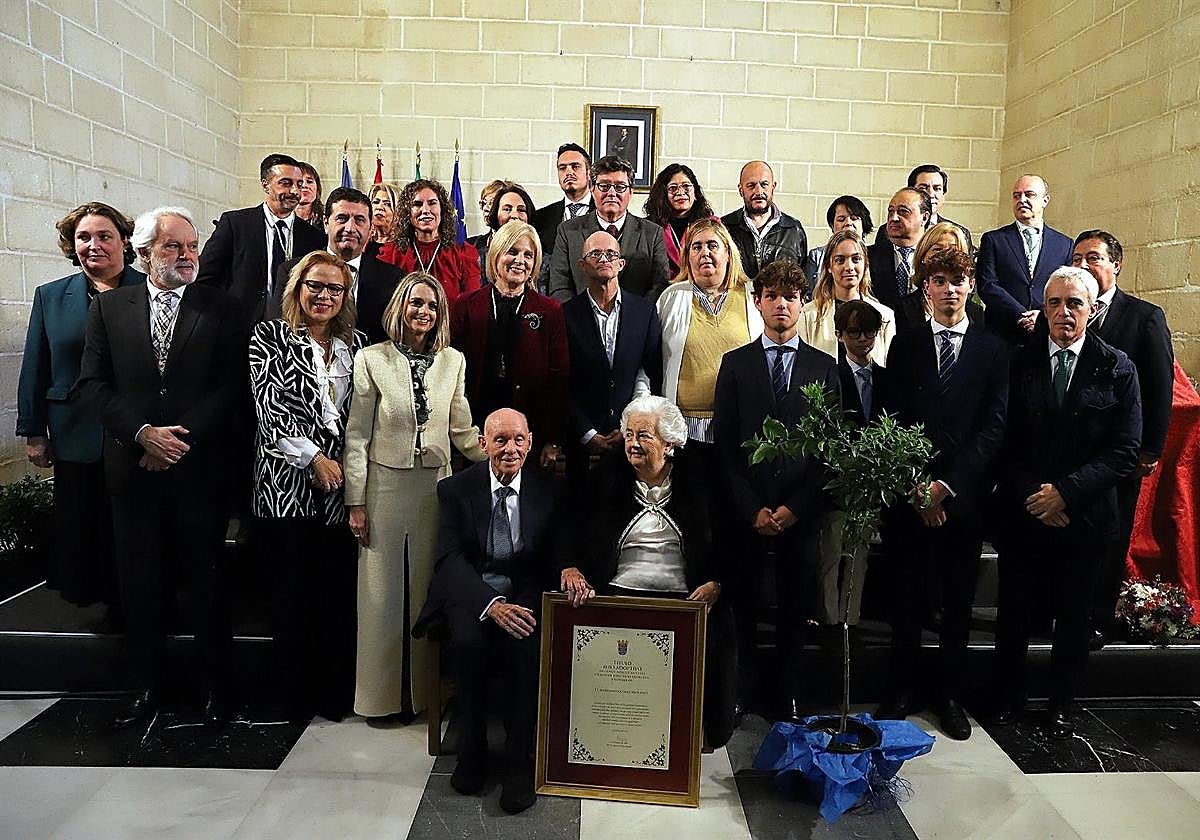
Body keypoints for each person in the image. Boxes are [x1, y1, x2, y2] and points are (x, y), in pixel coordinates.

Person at [77, 207, 244, 727]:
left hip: (199, 471)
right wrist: (144, 435)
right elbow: (93, 385)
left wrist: (177, 441)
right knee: (140, 583)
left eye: (191, 247)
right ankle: (147, 685)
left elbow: (232, 387)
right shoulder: (110, 309)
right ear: (145, 253)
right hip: (134, 469)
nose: (188, 256)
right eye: (174, 247)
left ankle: (218, 687)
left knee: (206, 582)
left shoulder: (222, 307)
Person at [994, 267, 1141, 738]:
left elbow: (1123, 451)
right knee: (1014, 611)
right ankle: (1008, 696)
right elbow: (1003, 439)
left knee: (1074, 618)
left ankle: (1062, 702)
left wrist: (1066, 493)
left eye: (1074, 304)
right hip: (1025, 512)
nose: (1062, 313)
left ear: (1093, 310)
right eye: (1054, 303)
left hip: (1086, 518)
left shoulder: (1117, 367)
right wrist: (1037, 496)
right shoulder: (1018, 363)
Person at [875, 248, 1009, 741]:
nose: (949, 289)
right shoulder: (905, 346)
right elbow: (891, 419)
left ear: (970, 286)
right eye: (938, 280)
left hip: (964, 497)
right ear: (925, 289)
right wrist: (917, 486)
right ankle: (901, 688)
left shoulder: (993, 349)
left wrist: (946, 487)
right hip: (911, 498)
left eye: (958, 280)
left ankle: (948, 693)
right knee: (907, 598)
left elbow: (994, 427)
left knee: (956, 603)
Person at [343, 272, 486, 722]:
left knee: (428, 594)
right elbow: (357, 435)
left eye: (431, 306)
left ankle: (423, 697)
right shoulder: (371, 359)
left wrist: (505, 450)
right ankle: (379, 699)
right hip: (384, 488)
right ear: (400, 307)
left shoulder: (453, 361)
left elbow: (462, 430)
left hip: (434, 489)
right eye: (415, 303)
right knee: (380, 597)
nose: (422, 312)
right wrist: (356, 500)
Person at [413, 408, 568, 815]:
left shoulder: (549, 488)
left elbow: (551, 554)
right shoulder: (455, 490)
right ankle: (472, 752)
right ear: (483, 445)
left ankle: (520, 765)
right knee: (466, 643)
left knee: (527, 646)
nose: (510, 449)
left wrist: (564, 569)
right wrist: (490, 604)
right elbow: (449, 560)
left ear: (530, 442)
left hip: (524, 590)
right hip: (472, 590)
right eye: (500, 440)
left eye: (518, 440)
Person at [568, 395, 737, 748]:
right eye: (629, 434)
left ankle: (692, 732)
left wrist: (717, 583)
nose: (632, 443)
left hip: (685, 597)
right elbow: (568, 529)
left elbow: (730, 543)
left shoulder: (703, 478)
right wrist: (569, 566)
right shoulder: (606, 476)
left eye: (644, 436)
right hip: (616, 592)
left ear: (670, 443)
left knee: (722, 630)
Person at [713, 259, 840, 721]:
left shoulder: (824, 368)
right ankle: (742, 689)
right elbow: (725, 445)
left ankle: (786, 691)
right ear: (758, 302)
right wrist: (751, 508)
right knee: (742, 605)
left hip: (799, 511)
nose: (781, 304)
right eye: (772, 296)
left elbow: (829, 450)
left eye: (790, 296)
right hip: (747, 511)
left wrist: (795, 507)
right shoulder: (736, 364)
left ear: (803, 303)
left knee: (794, 607)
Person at [249, 251, 365, 722]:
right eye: (314, 286)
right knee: (291, 596)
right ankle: (294, 697)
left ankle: (334, 695)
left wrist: (342, 467)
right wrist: (314, 458)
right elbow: (269, 410)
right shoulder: (270, 336)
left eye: (334, 288)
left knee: (335, 597)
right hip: (285, 484)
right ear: (297, 289)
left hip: (340, 491)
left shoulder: (356, 344)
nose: (324, 296)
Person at [17, 202, 143, 615]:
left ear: (125, 240)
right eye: (84, 238)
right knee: (85, 521)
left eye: (105, 236)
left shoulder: (149, 291)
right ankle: (100, 598)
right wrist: (34, 432)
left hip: (133, 430)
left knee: (133, 523)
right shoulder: (51, 297)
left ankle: (136, 600)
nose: (94, 245)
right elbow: (36, 365)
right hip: (75, 428)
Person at [1070, 230, 1174, 645]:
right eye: (1077, 258)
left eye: (1093, 258)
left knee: (1109, 538)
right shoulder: (1063, 311)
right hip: (1072, 450)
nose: (1083, 266)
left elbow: (1160, 386)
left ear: (1116, 264)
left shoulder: (1143, 316)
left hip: (1120, 453)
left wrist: (1151, 447)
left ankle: (1095, 617)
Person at [452, 220, 568, 468]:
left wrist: (552, 439)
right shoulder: (466, 305)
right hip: (477, 430)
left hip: (529, 434)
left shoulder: (550, 311)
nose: (520, 260)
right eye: (512, 252)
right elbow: (454, 373)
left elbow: (559, 379)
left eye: (528, 255)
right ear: (496, 255)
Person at [563, 230, 664, 499]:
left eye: (611, 254)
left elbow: (648, 374)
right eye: (595, 253)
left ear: (621, 264)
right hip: (580, 442)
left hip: (632, 440)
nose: (604, 258)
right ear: (582, 265)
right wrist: (588, 433)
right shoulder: (565, 314)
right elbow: (562, 381)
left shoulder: (644, 312)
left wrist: (629, 424)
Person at [656, 218, 763, 453]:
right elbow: (653, 359)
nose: (705, 253)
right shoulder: (670, 298)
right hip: (684, 428)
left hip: (742, 425)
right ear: (687, 257)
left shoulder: (753, 296)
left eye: (712, 245)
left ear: (728, 253)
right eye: (697, 247)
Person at [813, 300, 887, 635]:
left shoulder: (886, 378)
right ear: (839, 334)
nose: (863, 339)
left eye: (870, 331)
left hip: (872, 484)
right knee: (830, 554)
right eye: (855, 332)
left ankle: (850, 619)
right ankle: (829, 619)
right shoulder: (830, 374)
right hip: (837, 482)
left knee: (860, 557)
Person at [197, 153, 327, 327]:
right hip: (238, 332)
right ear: (265, 186)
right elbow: (205, 279)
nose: (295, 191)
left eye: (299, 184)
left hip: (293, 333)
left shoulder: (314, 237)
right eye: (286, 183)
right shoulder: (236, 224)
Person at [271, 186, 403, 346]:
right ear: (326, 223)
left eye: (360, 220)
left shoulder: (393, 278)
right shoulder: (292, 271)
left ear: (370, 227)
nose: (350, 228)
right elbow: (278, 330)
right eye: (342, 218)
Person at [547, 155, 670, 303]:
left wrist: (636, 316)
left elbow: (659, 286)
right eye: (604, 186)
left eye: (620, 187)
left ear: (631, 192)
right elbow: (559, 286)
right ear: (593, 189)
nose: (611, 193)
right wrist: (578, 318)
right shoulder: (568, 231)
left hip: (636, 322)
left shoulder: (652, 233)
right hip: (580, 321)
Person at [976, 175, 1073, 345]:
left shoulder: (1064, 244)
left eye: (1029, 195)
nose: (1022, 200)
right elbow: (987, 285)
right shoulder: (994, 240)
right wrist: (1022, 315)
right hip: (1002, 336)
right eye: (1016, 195)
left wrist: (1042, 316)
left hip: (1045, 337)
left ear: (1045, 200)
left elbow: (1067, 289)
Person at [377, 178, 481, 309]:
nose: (425, 210)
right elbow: (384, 305)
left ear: (442, 209)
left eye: (432, 203)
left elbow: (471, 307)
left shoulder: (463, 254)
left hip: (450, 328)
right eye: (417, 204)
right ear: (407, 212)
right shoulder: (390, 254)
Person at [800, 229, 897, 366]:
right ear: (829, 266)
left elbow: (889, 367)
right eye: (840, 260)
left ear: (865, 264)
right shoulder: (808, 315)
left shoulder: (885, 316)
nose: (849, 267)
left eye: (856, 259)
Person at [720, 160, 808, 279]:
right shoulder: (724, 227)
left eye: (764, 184)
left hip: (778, 297)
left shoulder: (793, 229)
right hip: (738, 297)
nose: (758, 191)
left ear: (773, 187)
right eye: (751, 186)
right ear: (741, 190)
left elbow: (801, 279)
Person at [893, 222, 985, 334]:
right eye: (937, 249)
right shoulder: (902, 308)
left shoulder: (976, 312)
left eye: (952, 249)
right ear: (923, 255)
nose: (945, 255)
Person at [532, 143, 594, 284]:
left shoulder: (603, 213)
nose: (569, 172)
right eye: (562, 168)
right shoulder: (541, 217)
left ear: (589, 172)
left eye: (575, 166)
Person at [874, 164, 974, 251]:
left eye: (937, 188)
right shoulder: (887, 230)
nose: (930, 194)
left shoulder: (959, 232)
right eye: (923, 188)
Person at [643, 163, 716, 279]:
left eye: (686, 187)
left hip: (701, 287)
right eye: (673, 188)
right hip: (660, 290)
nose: (680, 192)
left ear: (695, 192)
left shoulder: (712, 225)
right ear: (663, 194)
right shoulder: (647, 227)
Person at [867, 187, 931, 313]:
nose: (894, 218)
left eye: (903, 211)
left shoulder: (935, 256)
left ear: (924, 217)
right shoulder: (867, 257)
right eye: (890, 211)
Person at [804, 195, 875, 290]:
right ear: (832, 225)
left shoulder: (875, 255)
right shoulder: (816, 256)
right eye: (841, 219)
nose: (848, 223)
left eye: (854, 218)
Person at [471, 183, 536, 282]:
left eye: (521, 210)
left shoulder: (544, 259)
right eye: (507, 209)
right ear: (495, 214)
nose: (514, 215)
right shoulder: (474, 253)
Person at [466, 179, 514, 274]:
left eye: (492, 203)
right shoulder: (471, 245)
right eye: (483, 203)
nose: (486, 208)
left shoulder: (523, 248)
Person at [368, 182, 400, 255]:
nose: (379, 207)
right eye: (376, 202)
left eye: (387, 204)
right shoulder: (362, 241)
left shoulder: (403, 247)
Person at [294, 161, 324, 230]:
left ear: (317, 188)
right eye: (300, 182)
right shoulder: (281, 219)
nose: (304, 185)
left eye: (309, 181)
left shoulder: (327, 220)